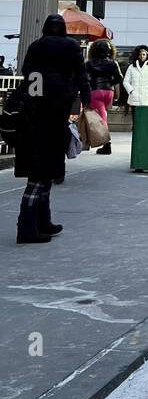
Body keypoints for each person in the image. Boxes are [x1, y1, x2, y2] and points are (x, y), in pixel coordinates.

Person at [13, 15, 91, 244]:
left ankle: (39, 221)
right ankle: (30, 225)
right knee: (43, 173)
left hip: (35, 114)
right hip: (58, 113)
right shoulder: (71, 47)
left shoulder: (36, 46)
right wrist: (85, 97)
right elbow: (81, 74)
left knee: (40, 170)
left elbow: (27, 74)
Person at [85, 39, 123, 155]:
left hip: (96, 91)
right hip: (108, 92)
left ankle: (107, 144)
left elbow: (85, 79)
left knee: (100, 119)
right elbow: (119, 78)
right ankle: (104, 143)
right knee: (103, 115)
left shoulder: (89, 63)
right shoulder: (113, 62)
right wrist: (109, 83)